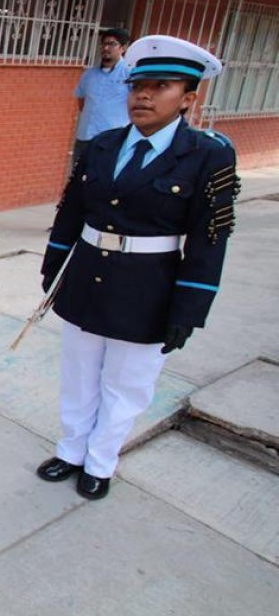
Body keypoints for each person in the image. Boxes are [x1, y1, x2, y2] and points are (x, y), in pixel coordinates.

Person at [36, 35, 236, 501]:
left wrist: (189, 307)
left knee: (126, 383)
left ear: (188, 98)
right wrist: (55, 263)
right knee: (79, 373)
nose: (142, 96)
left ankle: (100, 461)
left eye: (159, 86)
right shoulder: (104, 145)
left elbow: (210, 237)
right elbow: (72, 209)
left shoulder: (207, 155)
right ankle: (70, 450)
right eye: (137, 86)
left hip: (148, 284)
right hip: (86, 273)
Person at [72, 28, 132, 168]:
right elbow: (82, 104)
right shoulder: (89, 75)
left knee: (102, 182)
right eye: (104, 44)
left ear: (122, 48)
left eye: (112, 44)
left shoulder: (130, 75)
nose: (106, 48)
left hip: (112, 141)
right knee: (78, 180)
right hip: (85, 138)